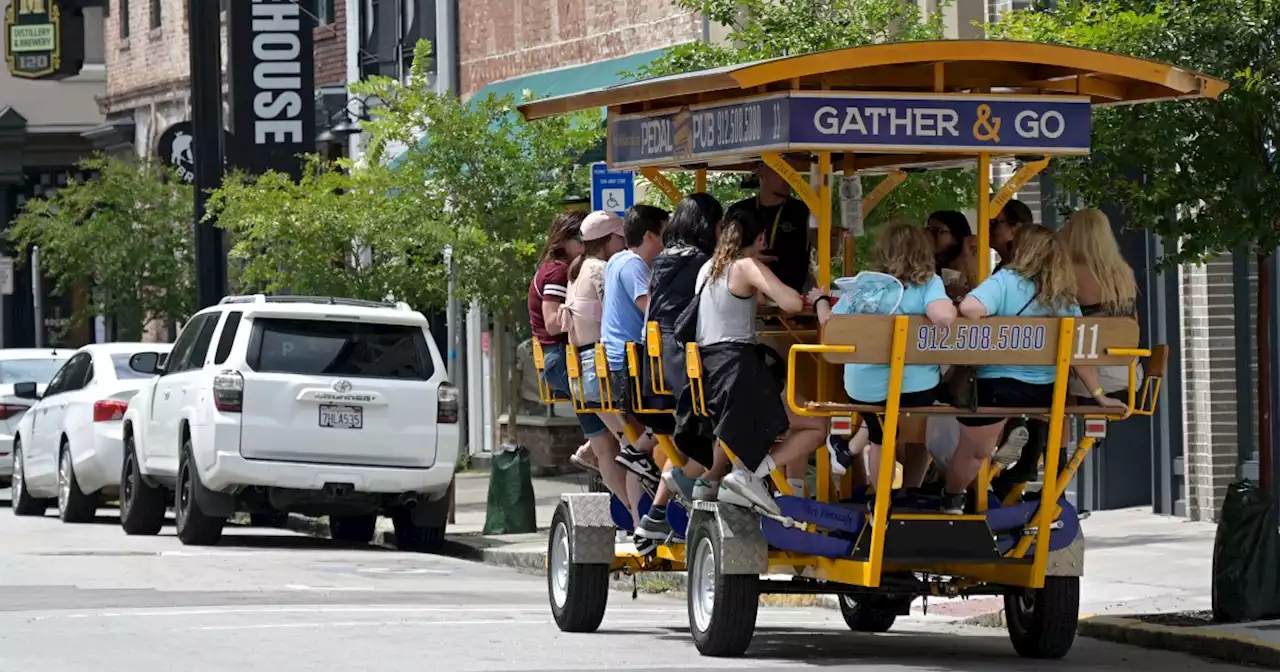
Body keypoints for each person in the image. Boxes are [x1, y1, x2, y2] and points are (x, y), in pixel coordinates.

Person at [947, 225, 1128, 514]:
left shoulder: (1005, 280)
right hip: (1043, 394)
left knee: (972, 452)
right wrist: (1099, 395)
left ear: (1023, 251)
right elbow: (1078, 352)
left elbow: (970, 308)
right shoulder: (1063, 296)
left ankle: (953, 497)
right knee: (1041, 411)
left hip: (997, 387)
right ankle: (1018, 433)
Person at [693, 208, 827, 516]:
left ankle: (736, 478)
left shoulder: (708, 268)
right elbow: (792, 303)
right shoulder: (746, 265)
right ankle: (751, 475)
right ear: (762, 237)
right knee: (818, 424)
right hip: (740, 372)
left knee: (787, 417)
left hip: (713, 373)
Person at [816, 223, 957, 489]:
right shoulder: (929, 283)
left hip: (864, 390)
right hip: (917, 390)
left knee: (880, 433)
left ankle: (880, 504)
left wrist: (819, 300)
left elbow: (832, 326)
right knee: (891, 421)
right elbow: (944, 317)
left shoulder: (864, 287)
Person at [634, 195, 723, 541]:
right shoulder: (703, 263)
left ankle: (659, 511)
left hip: (657, 367)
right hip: (685, 365)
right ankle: (697, 486)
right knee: (731, 414)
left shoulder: (664, 260)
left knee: (698, 429)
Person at [561, 211, 649, 530]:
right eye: (621, 239)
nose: (625, 245)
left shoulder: (576, 270)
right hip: (601, 365)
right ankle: (642, 520)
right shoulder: (602, 269)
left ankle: (635, 516)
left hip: (581, 367)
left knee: (613, 450)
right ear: (610, 239)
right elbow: (620, 311)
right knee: (633, 448)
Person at [526, 211, 608, 462]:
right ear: (565, 240)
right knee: (612, 433)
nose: (585, 247)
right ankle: (593, 450)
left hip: (559, 359)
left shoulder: (555, 269)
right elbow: (552, 323)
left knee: (602, 436)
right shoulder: (558, 272)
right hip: (562, 358)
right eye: (581, 240)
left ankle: (590, 451)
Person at [600, 206, 668, 493]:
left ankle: (640, 521)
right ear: (651, 236)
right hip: (631, 363)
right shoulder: (634, 265)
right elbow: (651, 309)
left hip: (618, 361)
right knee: (675, 416)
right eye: (666, 234)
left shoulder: (617, 260)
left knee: (636, 442)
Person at [1061, 207, 1141, 397]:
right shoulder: (1125, 272)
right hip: (1129, 374)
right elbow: (1133, 326)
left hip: (1088, 379)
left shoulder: (1068, 274)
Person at [926, 210, 976, 298]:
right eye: (927, 230)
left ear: (956, 237)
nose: (929, 236)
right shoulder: (923, 262)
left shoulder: (969, 265)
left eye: (936, 231)